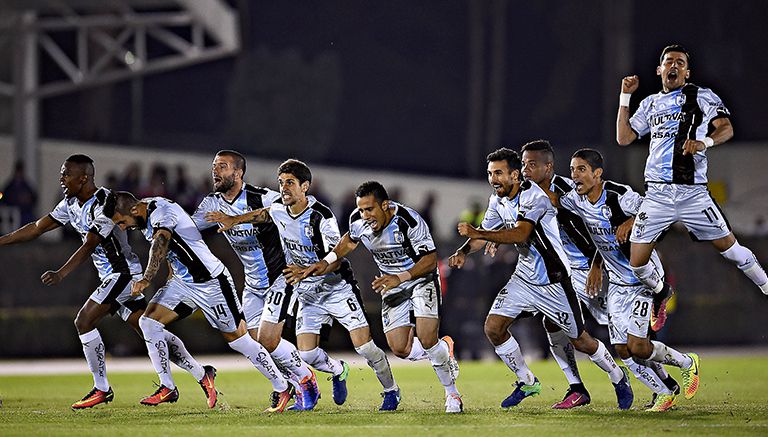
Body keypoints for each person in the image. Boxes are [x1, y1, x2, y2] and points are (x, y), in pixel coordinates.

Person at [0, 155, 214, 410]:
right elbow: (36, 227)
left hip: (122, 274)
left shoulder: (106, 202)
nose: (62, 179)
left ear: (84, 178)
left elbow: (90, 243)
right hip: (113, 276)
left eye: (66, 174)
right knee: (148, 330)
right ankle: (203, 374)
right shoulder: (69, 203)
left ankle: (102, 388)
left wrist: (61, 273)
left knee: (83, 320)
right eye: (61, 174)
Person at [205, 159, 399, 411]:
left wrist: (307, 270)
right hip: (306, 289)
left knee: (365, 347)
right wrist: (234, 219)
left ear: (305, 186)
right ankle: (338, 370)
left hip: (336, 287)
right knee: (306, 355)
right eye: (281, 183)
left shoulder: (321, 216)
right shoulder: (278, 208)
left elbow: (335, 258)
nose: (284, 188)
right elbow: (263, 214)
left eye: (290, 183)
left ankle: (391, 391)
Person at [449, 147, 633, 410]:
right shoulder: (496, 199)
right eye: (490, 174)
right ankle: (527, 381)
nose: (493, 179)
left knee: (580, 340)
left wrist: (482, 232)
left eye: (499, 173)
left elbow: (521, 234)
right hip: (524, 279)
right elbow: (484, 234)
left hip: (553, 281)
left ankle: (617, 376)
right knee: (493, 327)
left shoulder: (534, 196)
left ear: (514, 175)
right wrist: (464, 250)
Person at [521, 140, 680, 409]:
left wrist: (597, 264)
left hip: (592, 272)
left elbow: (597, 228)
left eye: (531, 165)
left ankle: (663, 380)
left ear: (548, 167)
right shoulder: (524, 196)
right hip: (561, 274)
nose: (525, 170)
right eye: (523, 165)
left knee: (627, 337)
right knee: (552, 323)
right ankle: (576, 387)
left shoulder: (571, 191)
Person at [106, 191, 294, 412]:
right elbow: (171, 245)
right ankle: (170, 385)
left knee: (239, 341)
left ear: (135, 210)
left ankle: (282, 386)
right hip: (183, 283)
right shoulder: (145, 210)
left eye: (121, 221)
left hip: (211, 282)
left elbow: (161, 242)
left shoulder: (161, 213)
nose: (121, 227)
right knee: (148, 322)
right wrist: (171, 270)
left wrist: (147, 278)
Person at [616, 44, 768, 312]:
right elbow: (624, 137)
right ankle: (663, 292)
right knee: (637, 263)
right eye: (669, 62)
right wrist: (625, 97)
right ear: (659, 69)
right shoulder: (650, 103)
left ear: (687, 72)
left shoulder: (702, 96)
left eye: (680, 63)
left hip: (692, 194)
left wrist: (704, 142)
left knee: (731, 250)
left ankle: (766, 287)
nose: (674, 66)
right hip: (658, 195)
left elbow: (726, 128)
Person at [300, 181, 462, 413]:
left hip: (420, 279)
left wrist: (401, 277)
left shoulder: (410, 220)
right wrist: (324, 262)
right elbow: (347, 241)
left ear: (385, 205)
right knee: (399, 349)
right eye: (362, 209)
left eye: (370, 209)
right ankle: (443, 350)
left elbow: (429, 260)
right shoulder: (358, 220)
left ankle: (452, 394)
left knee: (427, 338)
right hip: (392, 284)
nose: (365, 215)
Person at [558, 149, 700, 411]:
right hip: (617, 284)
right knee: (622, 350)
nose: (574, 175)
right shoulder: (575, 201)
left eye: (581, 169)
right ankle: (663, 392)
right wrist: (597, 264)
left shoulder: (619, 196)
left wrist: (634, 220)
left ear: (597, 174)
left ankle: (687, 363)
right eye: (572, 169)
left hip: (642, 277)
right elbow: (552, 198)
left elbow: (660, 212)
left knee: (637, 346)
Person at [191, 150, 319, 410]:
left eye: (223, 167)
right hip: (252, 284)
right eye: (214, 166)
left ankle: (306, 378)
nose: (215, 171)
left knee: (269, 339)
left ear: (238, 173)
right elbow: (189, 231)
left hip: (279, 277)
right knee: (254, 342)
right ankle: (290, 382)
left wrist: (235, 220)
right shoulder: (212, 204)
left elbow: (284, 208)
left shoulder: (262, 197)